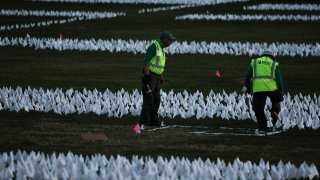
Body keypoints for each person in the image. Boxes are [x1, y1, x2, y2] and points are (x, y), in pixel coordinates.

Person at [139, 31, 176, 127]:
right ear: (164, 39)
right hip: (150, 76)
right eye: (170, 40)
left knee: (156, 99)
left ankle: (153, 121)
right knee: (149, 99)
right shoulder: (154, 46)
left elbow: (158, 65)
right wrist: (147, 78)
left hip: (156, 77)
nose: (171, 43)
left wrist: (161, 77)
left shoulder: (161, 48)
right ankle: (143, 122)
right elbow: (147, 62)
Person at [243, 50, 284, 132]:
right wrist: (281, 90)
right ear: (272, 57)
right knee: (276, 100)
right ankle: (274, 111)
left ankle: (263, 127)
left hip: (259, 89)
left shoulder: (255, 62)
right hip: (272, 88)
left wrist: (248, 87)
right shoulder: (273, 64)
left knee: (258, 109)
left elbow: (247, 75)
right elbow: (279, 78)